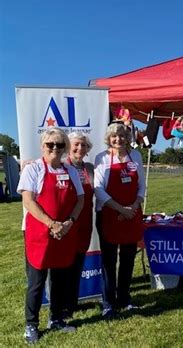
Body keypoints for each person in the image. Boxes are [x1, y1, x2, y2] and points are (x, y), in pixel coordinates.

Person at [17, 127, 84, 344]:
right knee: (36, 282)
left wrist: (69, 223)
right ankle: (31, 325)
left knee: (60, 280)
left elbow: (80, 200)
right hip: (40, 235)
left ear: (65, 147)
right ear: (43, 146)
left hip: (64, 233)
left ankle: (56, 318)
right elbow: (28, 201)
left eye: (60, 145)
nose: (55, 148)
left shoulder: (71, 171)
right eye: (50, 144)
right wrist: (51, 224)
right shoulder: (33, 169)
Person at [94, 122, 145, 319]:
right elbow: (98, 189)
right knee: (108, 261)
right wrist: (119, 208)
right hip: (109, 214)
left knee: (128, 259)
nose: (118, 139)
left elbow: (141, 186)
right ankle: (108, 302)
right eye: (114, 136)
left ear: (128, 138)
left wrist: (132, 207)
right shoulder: (102, 158)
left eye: (122, 135)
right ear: (109, 138)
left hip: (132, 214)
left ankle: (125, 297)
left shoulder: (136, 157)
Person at [64, 132, 94, 318]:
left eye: (83, 145)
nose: (79, 149)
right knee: (64, 265)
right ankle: (61, 307)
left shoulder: (89, 168)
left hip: (85, 222)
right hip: (68, 223)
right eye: (76, 145)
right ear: (68, 146)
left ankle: (72, 303)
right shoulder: (62, 166)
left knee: (78, 264)